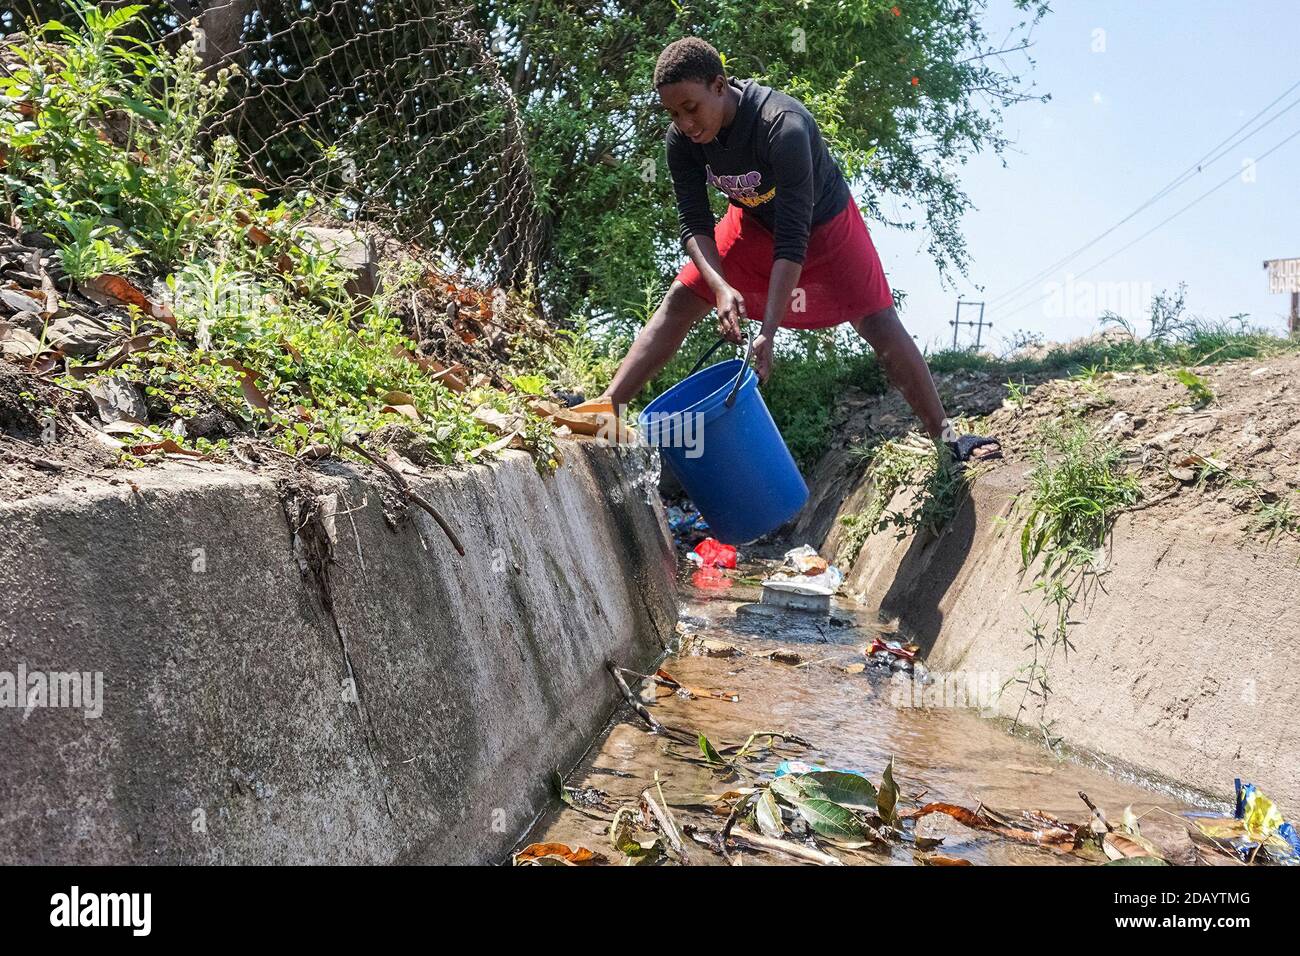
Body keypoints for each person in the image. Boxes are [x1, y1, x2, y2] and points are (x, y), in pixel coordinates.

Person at [596, 37, 1000, 464]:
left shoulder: (782, 124)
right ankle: (606, 408)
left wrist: (767, 330)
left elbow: (793, 239)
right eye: (673, 114)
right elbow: (694, 224)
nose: (686, 123)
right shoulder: (682, 141)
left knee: (879, 322)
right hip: (750, 223)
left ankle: (948, 438)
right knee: (683, 296)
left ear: (719, 85)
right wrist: (718, 286)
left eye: (691, 108)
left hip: (823, 226)